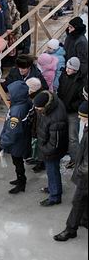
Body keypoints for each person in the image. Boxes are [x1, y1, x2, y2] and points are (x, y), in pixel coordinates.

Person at [54, 100, 88, 241]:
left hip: (85, 176)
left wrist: (80, 172)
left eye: (82, 116)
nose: (79, 117)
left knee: (77, 201)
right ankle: (85, 220)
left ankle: (70, 230)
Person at [33, 90, 69, 206]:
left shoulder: (57, 119)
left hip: (52, 151)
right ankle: (53, 187)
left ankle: (55, 196)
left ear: (45, 106)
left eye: (39, 108)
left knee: (53, 171)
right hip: (48, 145)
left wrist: (44, 150)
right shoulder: (50, 104)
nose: (37, 110)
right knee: (51, 171)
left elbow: (55, 144)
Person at [0, 81, 33, 194]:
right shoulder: (25, 102)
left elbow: (12, 132)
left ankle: (21, 183)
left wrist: (2, 144)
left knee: (17, 162)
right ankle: (20, 179)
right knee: (18, 162)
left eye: (10, 93)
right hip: (23, 138)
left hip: (18, 142)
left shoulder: (17, 111)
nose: (8, 94)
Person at [58, 57, 85, 166]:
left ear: (76, 69)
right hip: (62, 109)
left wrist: (71, 106)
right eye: (67, 67)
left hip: (72, 113)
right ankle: (67, 152)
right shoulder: (63, 75)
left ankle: (76, 160)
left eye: (70, 68)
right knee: (63, 134)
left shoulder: (81, 82)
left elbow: (82, 100)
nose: (67, 70)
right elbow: (60, 90)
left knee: (73, 137)